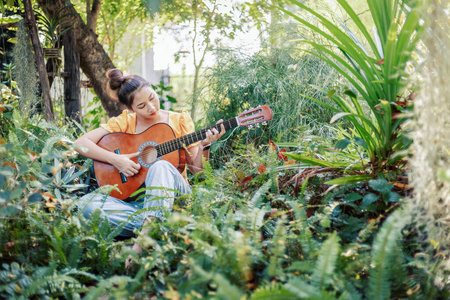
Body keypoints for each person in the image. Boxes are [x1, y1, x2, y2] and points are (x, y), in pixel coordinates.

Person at [74, 69, 225, 264]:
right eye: (142, 106)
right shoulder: (126, 122)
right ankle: (161, 225)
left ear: (154, 90)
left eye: (152, 98)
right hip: (136, 204)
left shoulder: (179, 120)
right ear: (130, 109)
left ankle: (141, 245)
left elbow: (198, 173)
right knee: (84, 205)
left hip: (176, 198)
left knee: (159, 167)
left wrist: (205, 145)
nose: (152, 108)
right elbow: (79, 143)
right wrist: (116, 160)